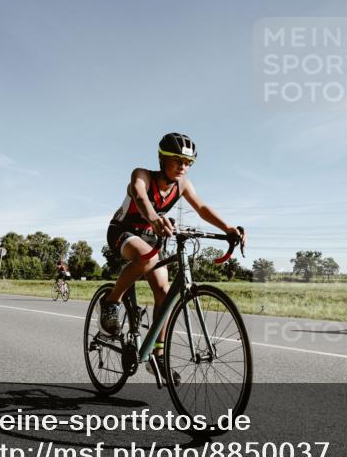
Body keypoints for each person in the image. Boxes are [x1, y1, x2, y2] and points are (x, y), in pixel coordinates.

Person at [100, 133, 246, 382]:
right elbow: (140, 196)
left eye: (188, 163)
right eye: (178, 160)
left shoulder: (183, 185)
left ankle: (157, 355)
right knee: (146, 257)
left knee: (164, 293)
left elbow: (201, 208)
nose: (183, 167)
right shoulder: (142, 175)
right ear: (162, 159)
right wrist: (154, 218)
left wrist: (228, 228)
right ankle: (111, 302)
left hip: (152, 237)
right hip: (123, 231)